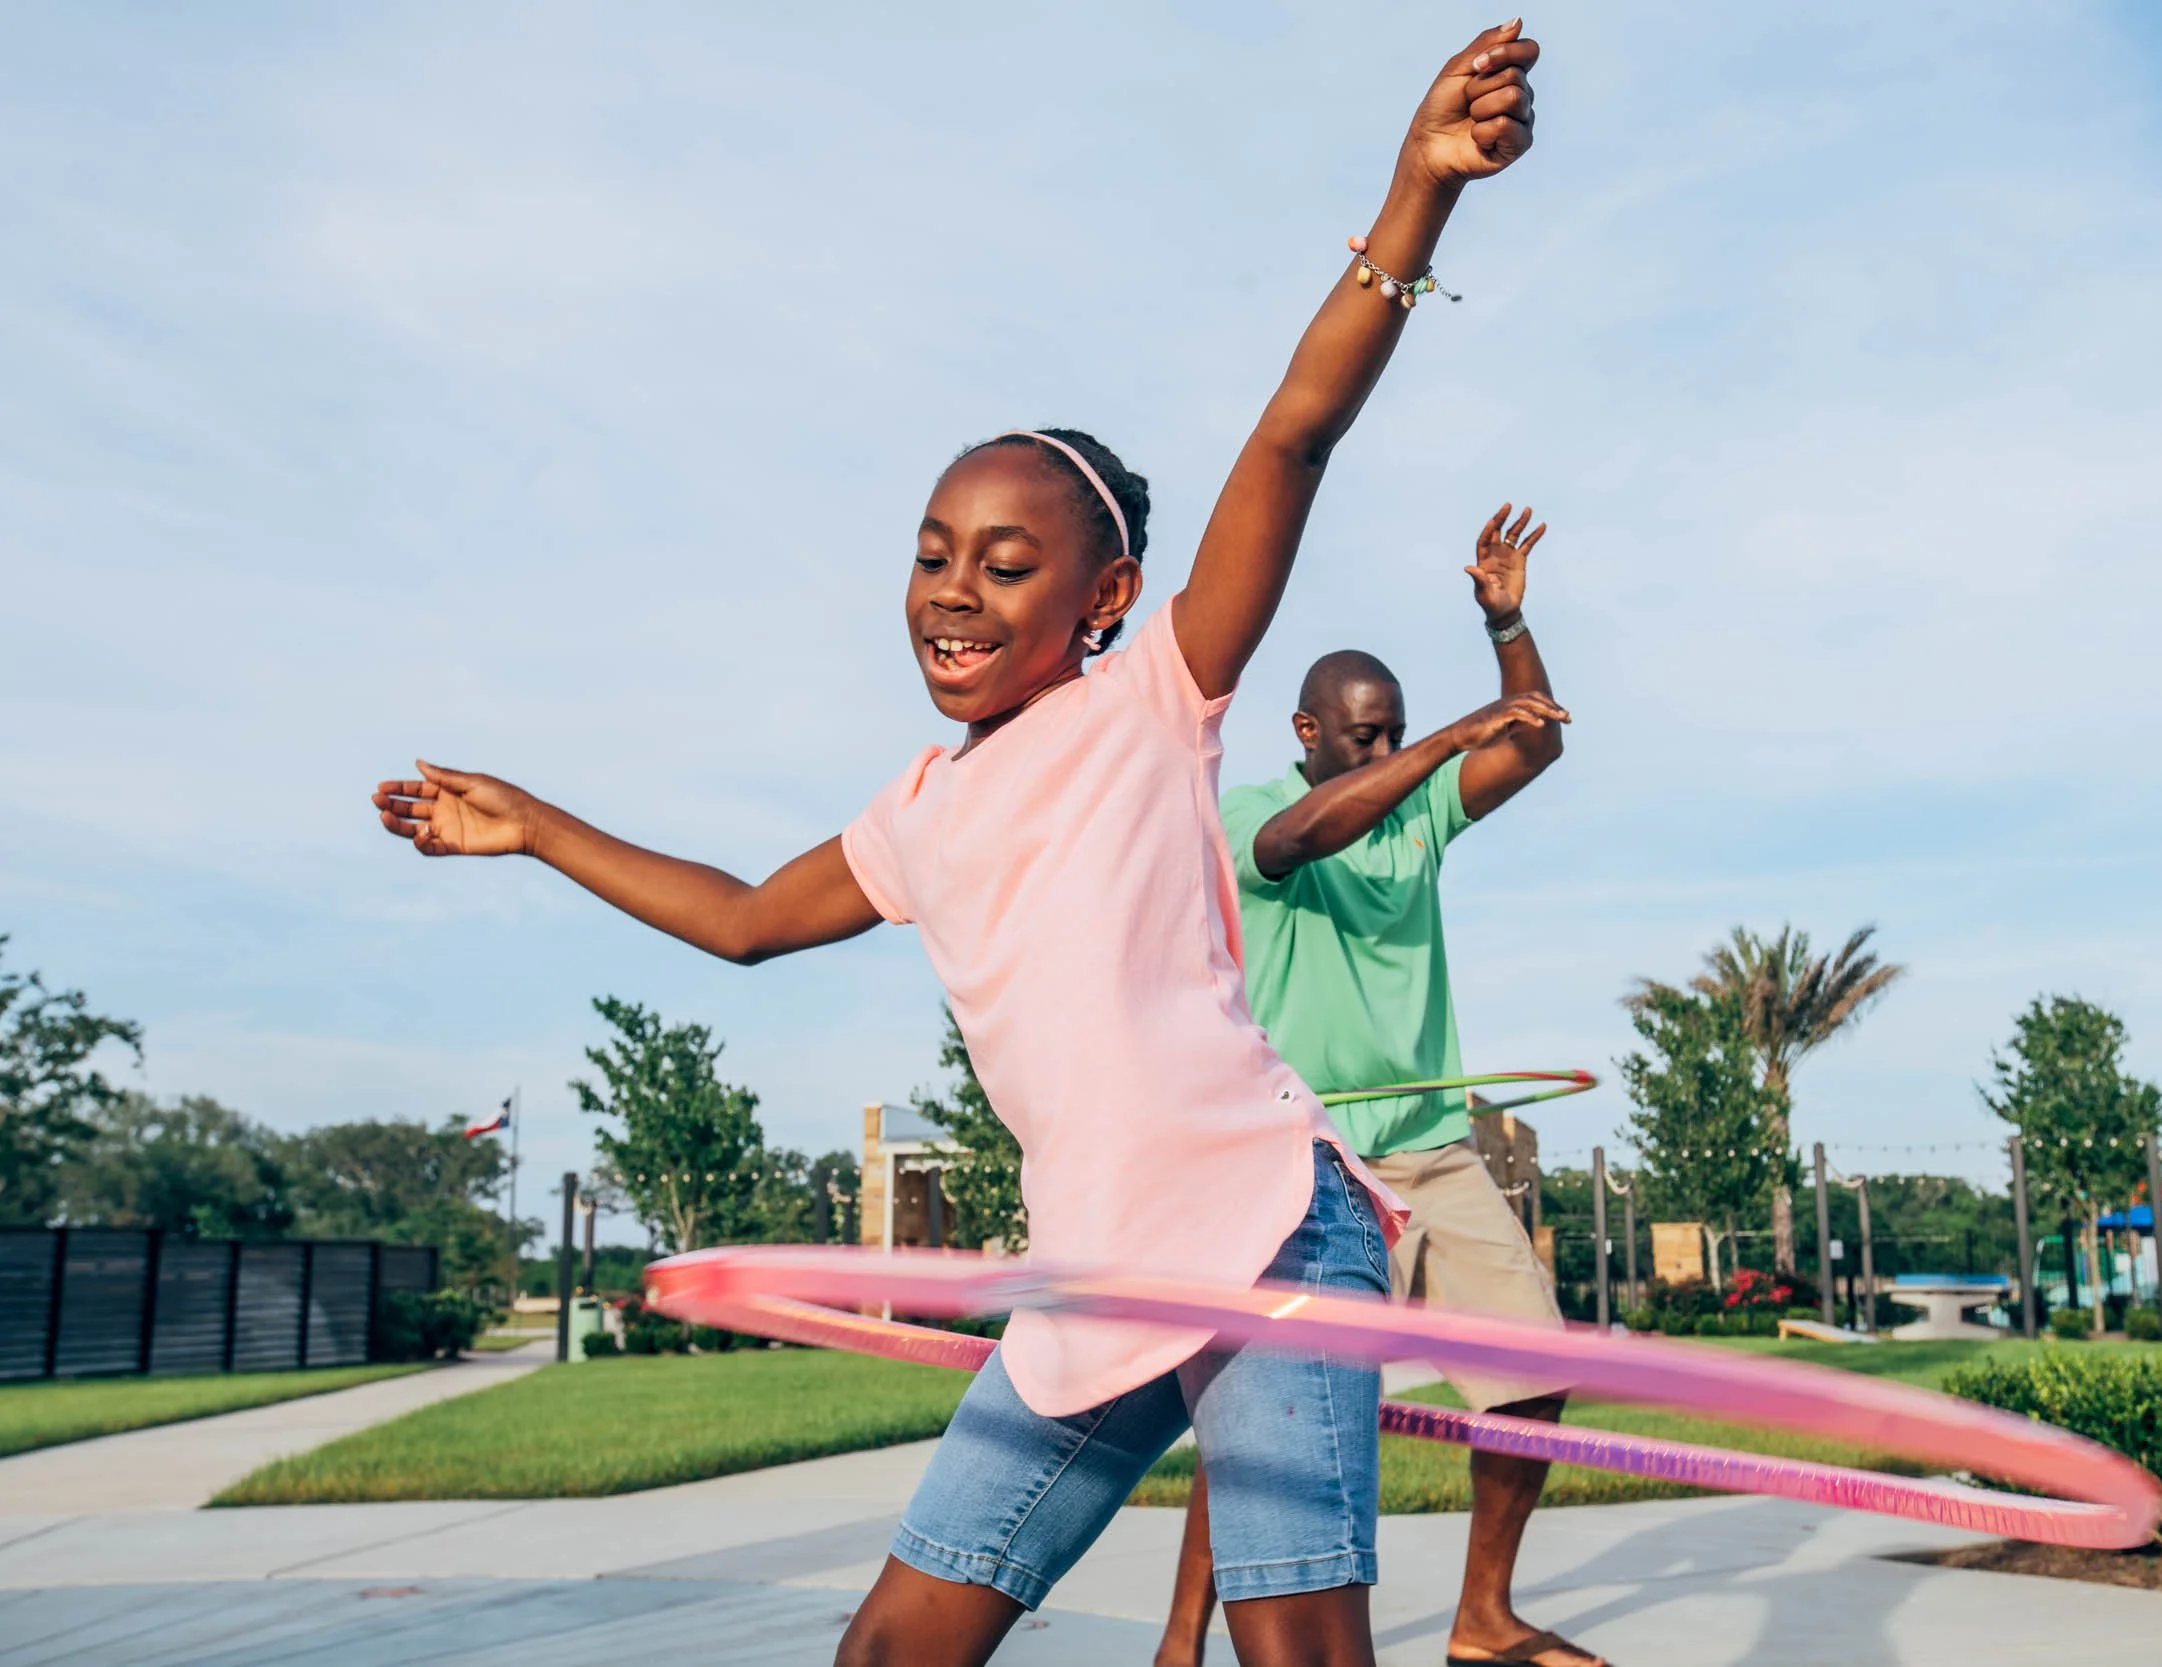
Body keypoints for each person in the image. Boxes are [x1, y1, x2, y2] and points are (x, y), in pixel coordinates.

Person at [369, 22, 1541, 1667]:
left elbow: (1290, 434)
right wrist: (536, 826)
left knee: (1296, 1655)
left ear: (1101, 600)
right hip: (1097, 1281)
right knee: (892, 1649)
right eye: (933, 555)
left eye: (1003, 563)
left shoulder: (1155, 697)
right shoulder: (921, 810)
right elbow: (747, 919)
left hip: (1271, 1229)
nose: (950, 590)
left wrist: (1415, 196)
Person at [1154, 504, 1592, 1667]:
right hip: (1305, 1161)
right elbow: (1303, 838)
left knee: (1534, 1371)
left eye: (1388, 731)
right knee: (1267, 1423)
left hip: (1431, 1144)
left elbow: (1536, 740)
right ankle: (1179, 1640)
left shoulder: (1417, 818)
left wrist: (1507, 626)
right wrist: (1443, 739)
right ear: (1306, 731)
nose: (1378, 748)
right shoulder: (1249, 810)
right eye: (1360, 734)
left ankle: (1481, 1616)